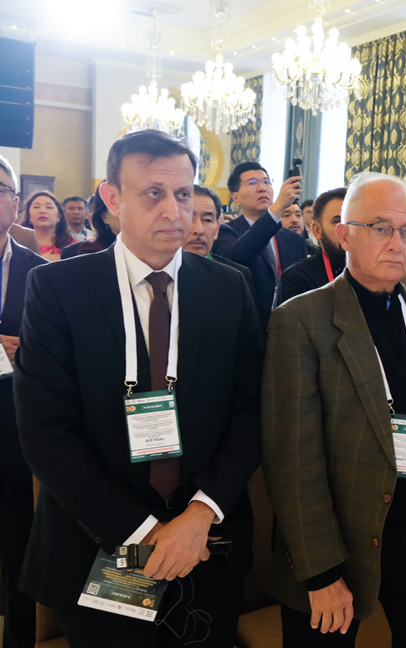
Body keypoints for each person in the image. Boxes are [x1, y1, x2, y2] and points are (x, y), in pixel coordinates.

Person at [13, 128, 264, 648]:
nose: (174, 211)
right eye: (153, 193)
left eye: (183, 193)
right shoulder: (59, 288)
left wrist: (200, 514)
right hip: (100, 547)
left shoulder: (229, 287)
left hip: (205, 545)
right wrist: (145, 532)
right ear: (112, 198)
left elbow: (251, 412)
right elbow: (45, 432)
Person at [262, 171, 406, 648]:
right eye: (380, 228)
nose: (397, 244)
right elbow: (292, 459)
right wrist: (321, 572)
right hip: (340, 545)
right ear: (344, 235)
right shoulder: (300, 320)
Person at [0, 153, 47, 648]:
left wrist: (25, 349)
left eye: (0, 190)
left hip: (15, 427)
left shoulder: (42, 272)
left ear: (16, 204)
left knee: (18, 543)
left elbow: (59, 350)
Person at [212, 161, 306, 330]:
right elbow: (238, 255)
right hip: (248, 328)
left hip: (291, 327)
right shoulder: (225, 232)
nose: (262, 188)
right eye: (252, 183)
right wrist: (277, 207)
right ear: (235, 197)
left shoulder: (294, 240)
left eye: (266, 182)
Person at [184, 185, 257, 305]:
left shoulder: (236, 278)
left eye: (207, 220)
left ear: (217, 229)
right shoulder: (160, 275)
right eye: (190, 219)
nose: (199, 230)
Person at [275, 187, 347, 306]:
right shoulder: (297, 279)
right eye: (337, 221)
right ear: (317, 230)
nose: (347, 229)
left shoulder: (375, 274)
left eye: (353, 222)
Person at [61, 188, 121, 259]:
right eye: (71, 208)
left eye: (80, 208)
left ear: (86, 213)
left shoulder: (92, 235)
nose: (76, 212)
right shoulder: (90, 248)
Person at [24, 190, 73, 260]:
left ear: (59, 217)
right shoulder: (18, 243)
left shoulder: (72, 245)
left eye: (49, 207)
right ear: (29, 216)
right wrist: (41, 260)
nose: (42, 211)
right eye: (36, 207)